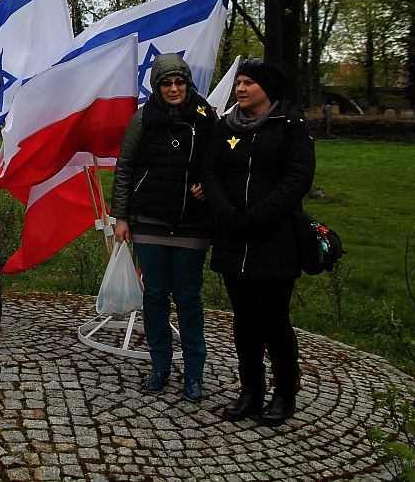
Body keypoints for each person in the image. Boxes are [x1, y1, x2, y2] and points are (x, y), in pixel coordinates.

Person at [201, 58, 316, 426]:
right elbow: (211, 171)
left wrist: (258, 216)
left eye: (249, 82)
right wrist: (227, 213)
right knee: (245, 321)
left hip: (275, 237)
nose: (241, 89)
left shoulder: (291, 124)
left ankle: (284, 394)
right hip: (234, 235)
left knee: (274, 320)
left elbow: (298, 177)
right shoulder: (226, 125)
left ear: (267, 87)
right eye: (239, 82)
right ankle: (250, 390)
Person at [110, 54, 215, 403]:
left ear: (188, 84)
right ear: (157, 86)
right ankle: (160, 366)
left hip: (192, 223)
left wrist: (209, 186)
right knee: (155, 296)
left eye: (179, 82)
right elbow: (125, 168)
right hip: (150, 221)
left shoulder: (206, 117)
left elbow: (220, 162)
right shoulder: (141, 120)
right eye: (166, 83)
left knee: (188, 297)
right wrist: (120, 216)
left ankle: (194, 372)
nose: (173, 89)